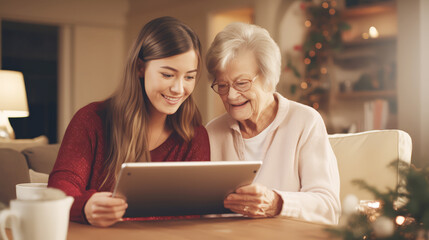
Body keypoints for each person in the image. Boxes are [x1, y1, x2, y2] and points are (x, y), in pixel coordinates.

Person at [48, 16, 210, 227]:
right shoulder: (91, 120)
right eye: (168, 74)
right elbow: (60, 189)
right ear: (140, 68)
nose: (179, 89)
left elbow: (194, 211)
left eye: (189, 77)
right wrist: (85, 207)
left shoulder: (195, 136)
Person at [205, 22, 340, 224]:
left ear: (268, 77)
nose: (231, 96)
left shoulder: (305, 122)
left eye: (241, 83)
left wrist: (277, 203)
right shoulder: (212, 132)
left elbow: (328, 207)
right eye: (222, 86)